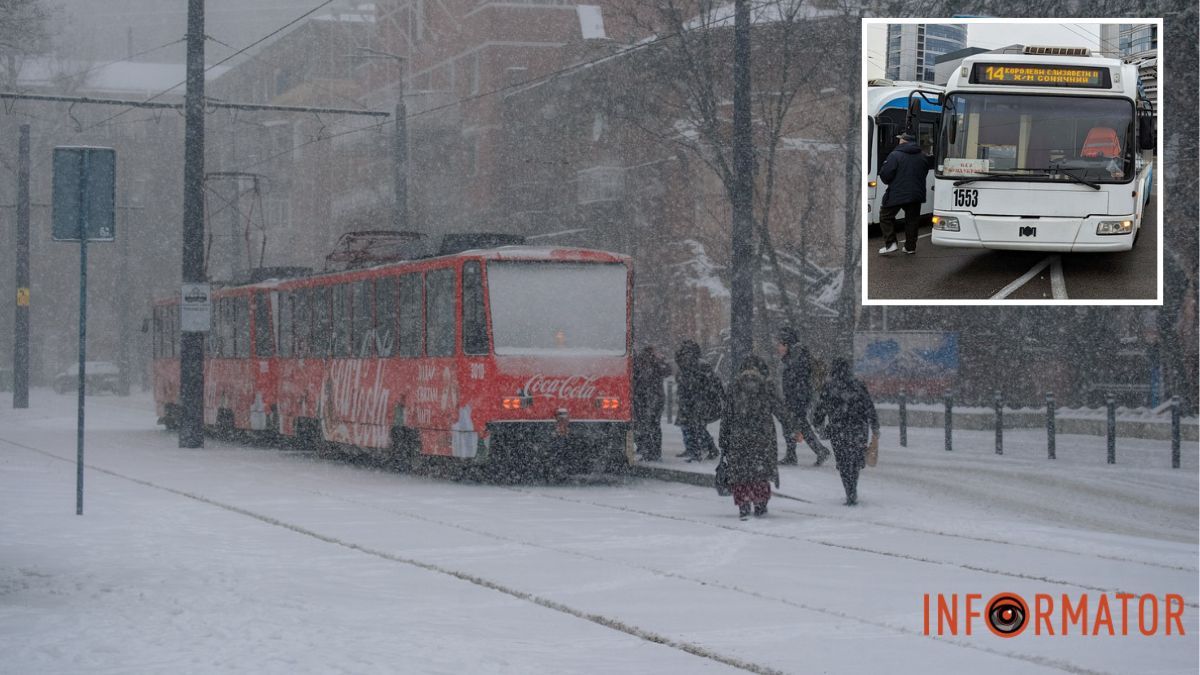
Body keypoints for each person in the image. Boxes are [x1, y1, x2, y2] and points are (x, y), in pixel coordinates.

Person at [718, 355, 792, 519]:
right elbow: (780, 410)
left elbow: (727, 416)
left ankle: (743, 505)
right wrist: (793, 427)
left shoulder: (734, 386)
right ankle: (760, 503)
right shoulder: (767, 386)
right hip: (762, 437)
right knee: (760, 473)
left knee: (740, 473)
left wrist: (723, 440)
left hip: (739, 437)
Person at [811, 358, 879, 506]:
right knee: (854, 460)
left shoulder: (829, 387)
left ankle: (849, 491)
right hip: (858, 429)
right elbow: (869, 407)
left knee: (843, 462)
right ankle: (853, 487)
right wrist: (875, 426)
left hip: (838, 430)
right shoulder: (858, 385)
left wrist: (818, 424)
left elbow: (820, 409)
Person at [775, 326, 831, 467]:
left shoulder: (797, 358)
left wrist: (796, 402)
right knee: (796, 426)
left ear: (787, 344)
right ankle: (799, 454)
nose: (778, 348)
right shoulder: (793, 357)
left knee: (795, 426)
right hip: (795, 399)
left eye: (781, 344)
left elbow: (801, 384)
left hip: (798, 400)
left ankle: (814, 452)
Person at [877, 131, 934, 255]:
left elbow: (886, 175)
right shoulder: (923, 155)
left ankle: (891, 244)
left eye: (900, 139)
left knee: (885, 216)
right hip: (916, 194)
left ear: (904, 141)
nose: (899, 141)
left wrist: (891, 181)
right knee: (912, 220)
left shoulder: (895, 155)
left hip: (897, 193)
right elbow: (924, 173)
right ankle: (910, 247)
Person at [674, 340, 722, 462]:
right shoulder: (686, 366)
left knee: (696, 427)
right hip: (690, 401)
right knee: (689, 426)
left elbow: (711, 383)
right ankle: (695, 449)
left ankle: (700, 450)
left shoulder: (700, 366)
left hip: (698, 402)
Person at [632, 345, 671, 461]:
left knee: (646, 426)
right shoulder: (654, 363)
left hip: (644, 398)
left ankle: (648, 451)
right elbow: (667, 371)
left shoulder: (640, 363)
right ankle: (653, 452)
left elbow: (636, 379)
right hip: (653, 398)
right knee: (653, 426)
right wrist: (661, 361)